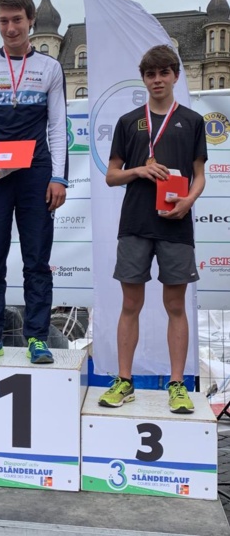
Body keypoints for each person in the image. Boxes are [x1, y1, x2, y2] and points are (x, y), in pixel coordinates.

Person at [98, 44, 207, 413]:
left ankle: (177, 384)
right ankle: (124, 381)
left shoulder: (192, 121)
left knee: (175, 306)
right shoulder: (129, 121)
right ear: (143, 79)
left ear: (175, 76)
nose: (157, 80)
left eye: (163, 73)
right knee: (131, 304)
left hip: (176, 225)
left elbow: (199, 175)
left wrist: (189, 201)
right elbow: (112, 175)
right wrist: (139, 170)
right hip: (135, 224)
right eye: (150, 74)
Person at [0, 0, 68, 364]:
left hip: (35, 173)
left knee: (36, 259)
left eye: (17, 20)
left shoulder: (50, 68)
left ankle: (37, 337)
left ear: (31, 20)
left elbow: (58, 127)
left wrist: (58, 178)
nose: (11, 28)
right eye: (4, 21)